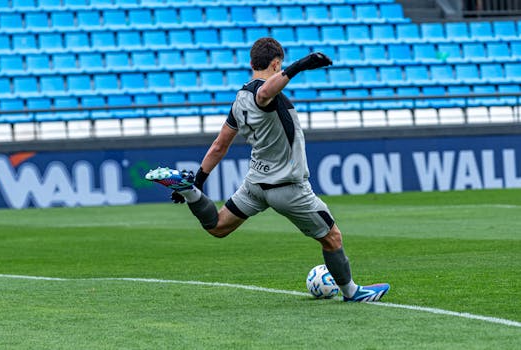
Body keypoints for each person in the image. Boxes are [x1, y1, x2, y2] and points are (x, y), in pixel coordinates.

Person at [146, 38, 389, 302]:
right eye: (280, 66)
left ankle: (189, 191)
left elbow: (219, 145)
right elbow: (264, 94)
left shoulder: (239, 100)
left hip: (255, 185)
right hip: (287, 187)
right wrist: (300, 66)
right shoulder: (263, 93)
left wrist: (199, 183)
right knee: (332, 237)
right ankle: (352, 292)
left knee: (217, 226)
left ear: (251, 63)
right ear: (276, 64)